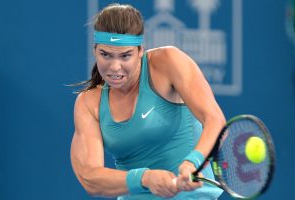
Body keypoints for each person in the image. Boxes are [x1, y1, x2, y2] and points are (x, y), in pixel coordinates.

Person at [70, 3, 226, 200]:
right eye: (105, 55)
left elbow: (214, 119)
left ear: (140, 50)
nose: (115, 67)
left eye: (125, 56)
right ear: (95, 50)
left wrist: (192, 162)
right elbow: (90, 178)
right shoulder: (88, 103)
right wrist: (144, 178)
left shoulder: (168, 62)